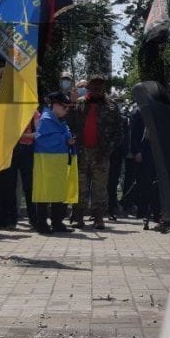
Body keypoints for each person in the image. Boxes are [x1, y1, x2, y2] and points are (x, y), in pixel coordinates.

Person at [68, 75, 120, 230]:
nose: (97, 88)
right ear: (89, 86)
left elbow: (118, 131)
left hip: (101, 152)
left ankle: (99, 217)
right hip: (82, 151)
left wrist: (108, 149)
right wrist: (72, 103)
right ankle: (78, 216)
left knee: (100, 187)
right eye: (94, 84)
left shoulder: (111, 105)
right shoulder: (79, 103)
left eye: (100, 85)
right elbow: (70, 124)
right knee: (80, 185)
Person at [32, 91, 77, 234]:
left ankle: (57, 222)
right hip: (46, 161)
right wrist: (65, 139)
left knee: (59, 192)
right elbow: (44, 141)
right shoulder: (45, 120)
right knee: (44, 192)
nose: (67, 110)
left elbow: (65, 134)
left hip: (59, 161)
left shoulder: (60, 121)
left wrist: (69, 139)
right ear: (55, 105)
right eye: (65, 107)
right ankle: (42, 223)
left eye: (68, 108)